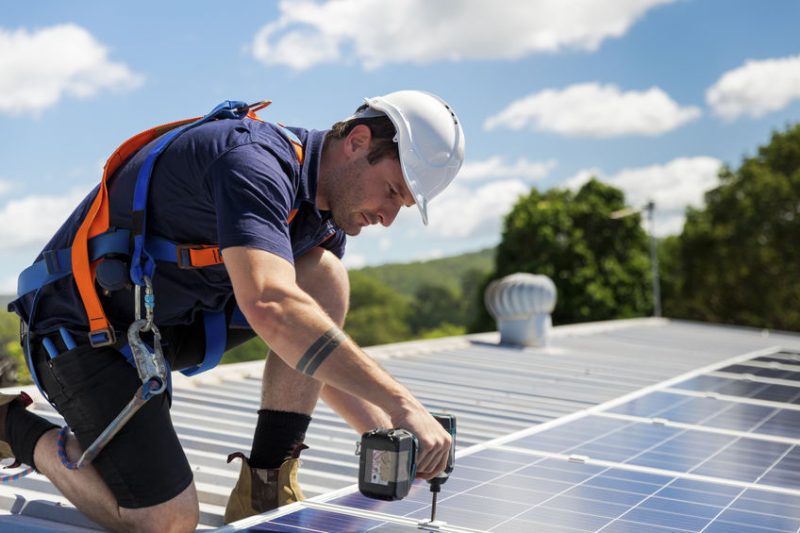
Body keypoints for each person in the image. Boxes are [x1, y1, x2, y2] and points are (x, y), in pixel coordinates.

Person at [3, 90, 465, 531]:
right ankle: (10, 425)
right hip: (80, 333)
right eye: (391, 190)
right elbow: (271, 307)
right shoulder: (252, 162)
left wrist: (386, 434)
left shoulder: (321, 217)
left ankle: (266, 485)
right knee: (165, 521)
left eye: (402, 204)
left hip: (155, 331)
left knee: (322, 274)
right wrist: (404, 405)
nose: (388, 216)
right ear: (357, 141)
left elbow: (307, 345)